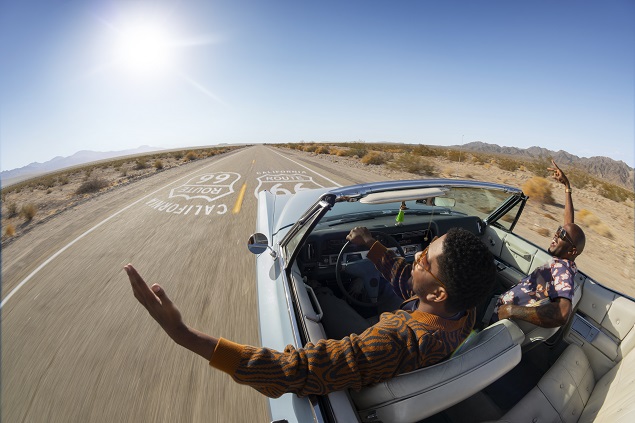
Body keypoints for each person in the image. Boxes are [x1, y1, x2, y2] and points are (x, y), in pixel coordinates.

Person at [125, 227, 495, 398]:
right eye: (423, 249)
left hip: (369, 370)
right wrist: (371, 246)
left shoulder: (393, 341)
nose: (415, 256)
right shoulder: (465, 310)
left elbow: (293, 371)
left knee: (323, 295)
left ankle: (320, 291)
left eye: (424, 259)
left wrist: (184, 335)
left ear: (438, 291)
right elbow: (407, 281)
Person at [494, 160, 586, 328]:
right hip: (504, 304)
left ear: (572, 250)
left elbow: (563, 313)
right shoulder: (566, 259)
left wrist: (511, 310)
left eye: (561, 235)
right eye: (558, 231)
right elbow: (569, 227)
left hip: (500, 318)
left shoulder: (562, 270)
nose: (556, 235)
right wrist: (567, 187)